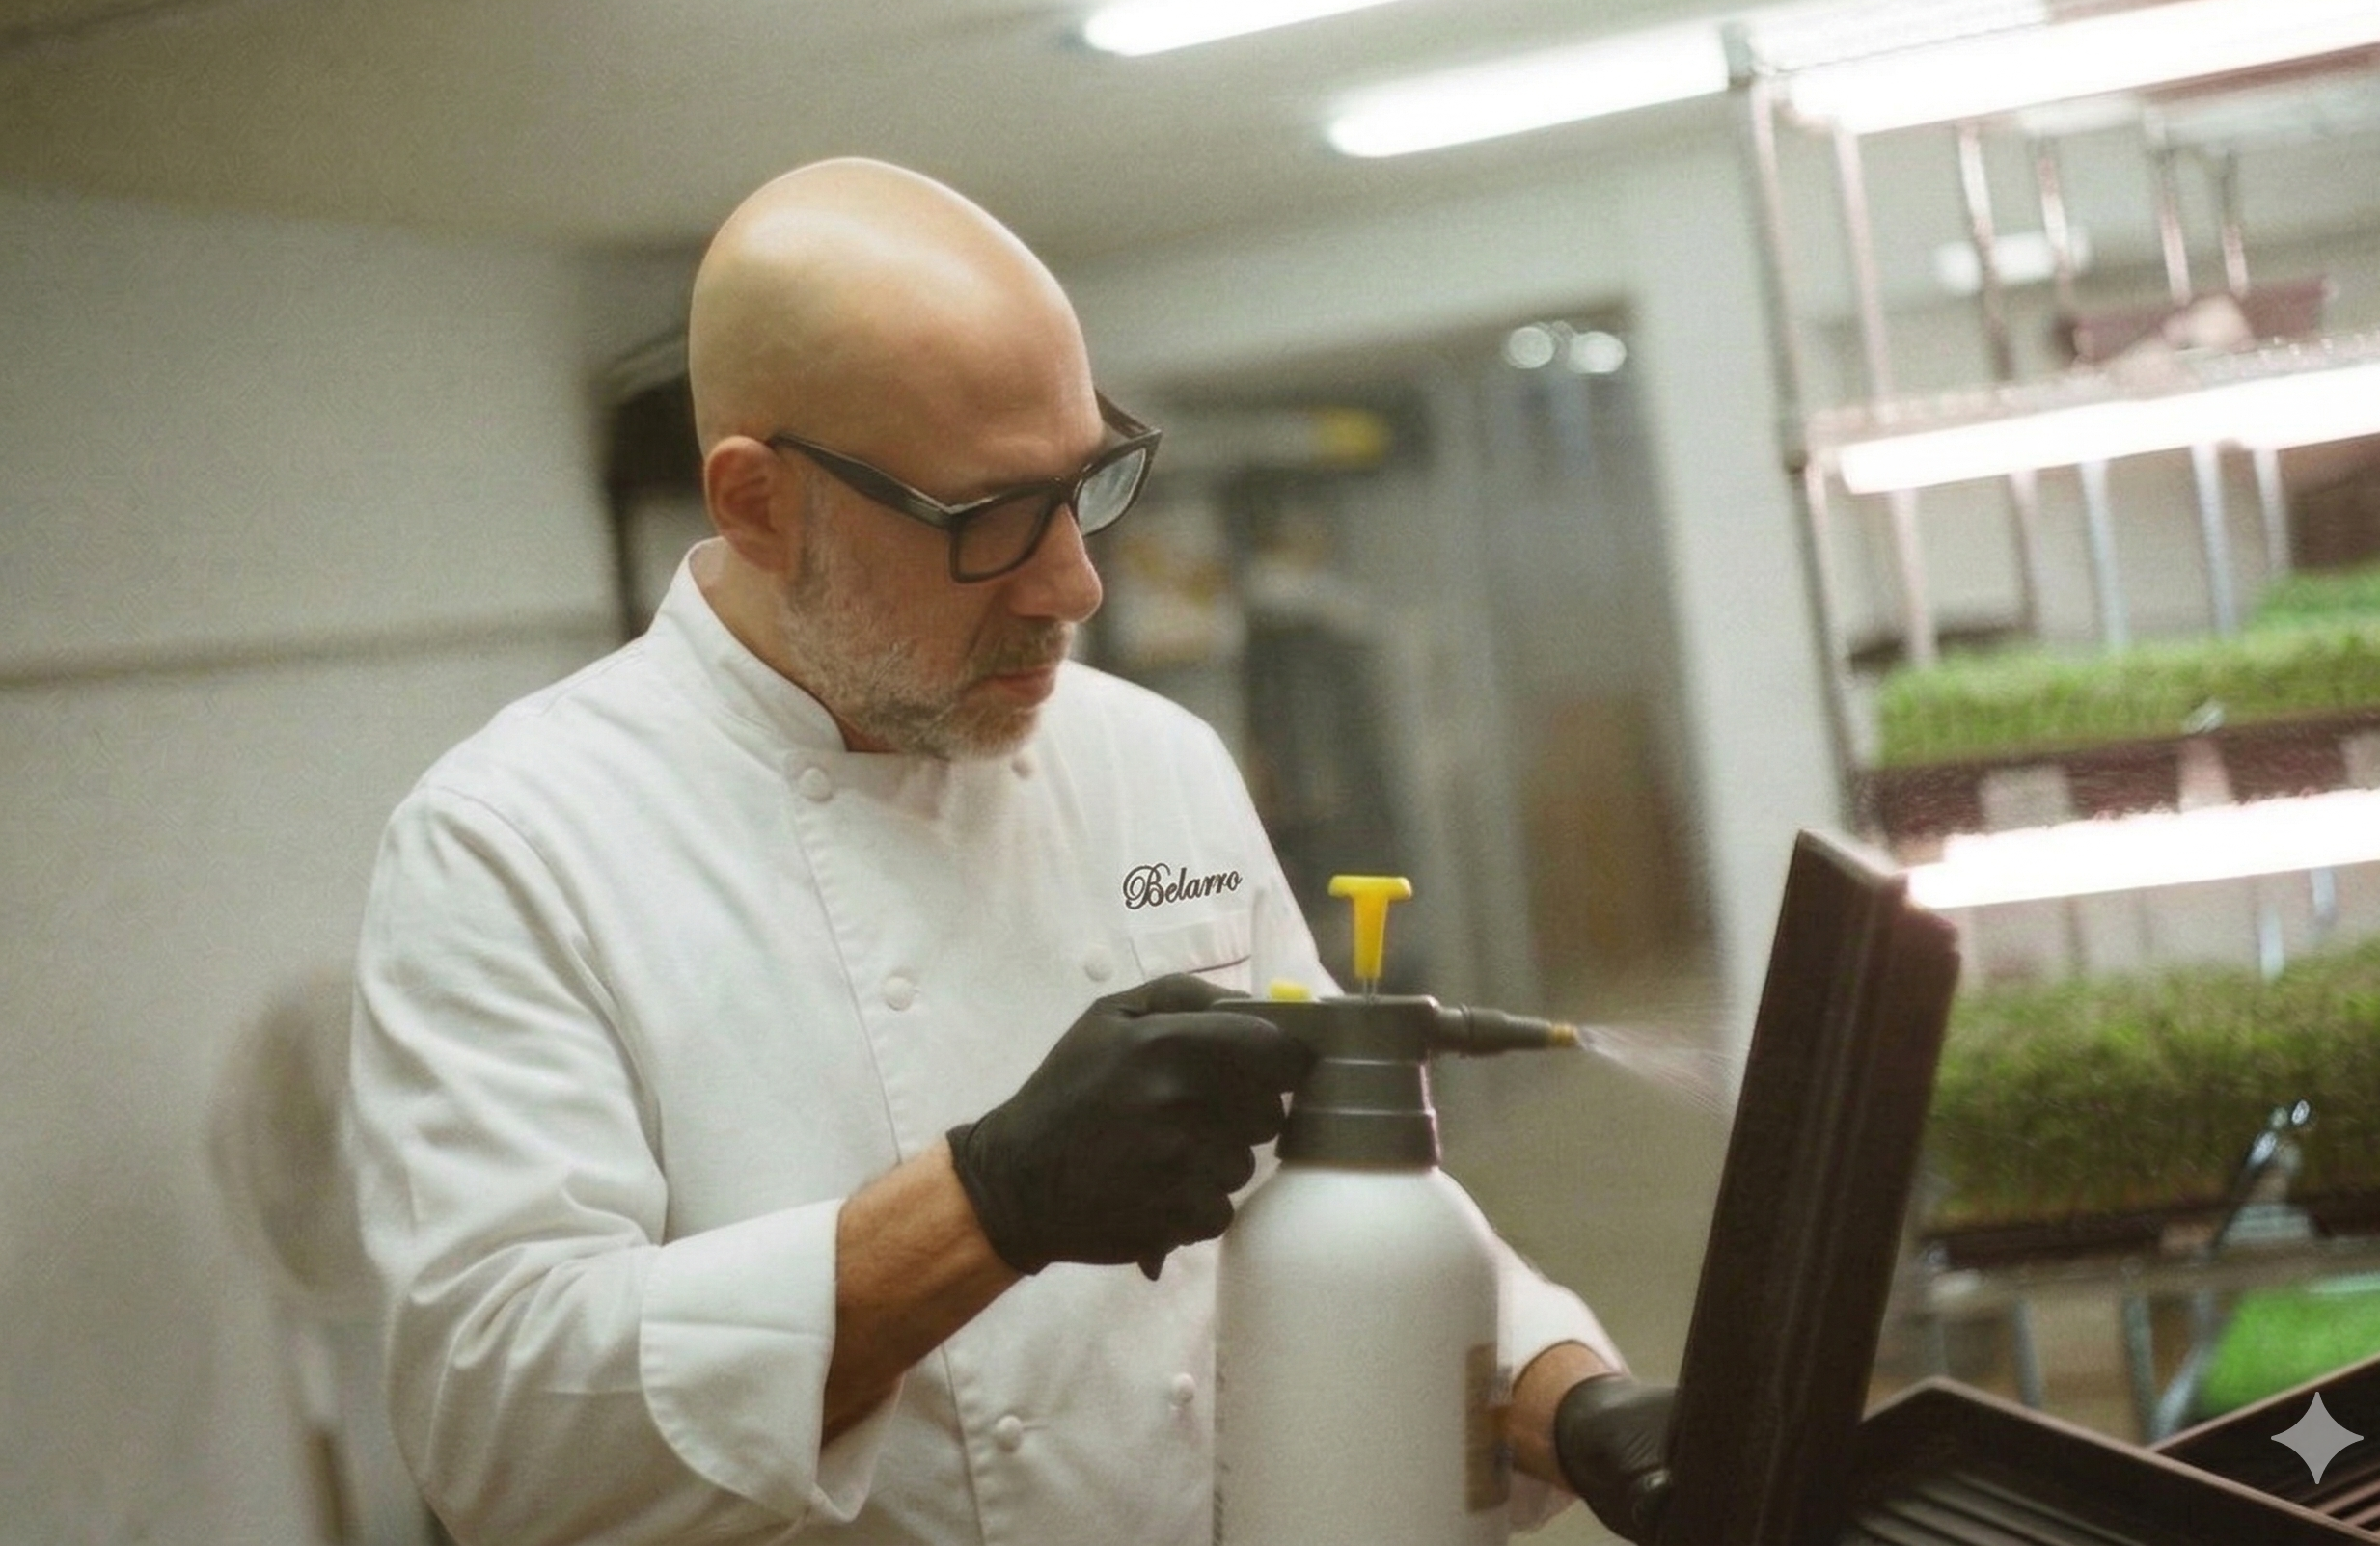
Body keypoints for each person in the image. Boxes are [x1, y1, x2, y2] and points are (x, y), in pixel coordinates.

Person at [347, 157, 1675, 1544]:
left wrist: (1560, 1394)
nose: (1074, 585)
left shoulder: (1149, 758)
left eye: (1085, 484)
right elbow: (502, 1429)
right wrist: (987, 1202)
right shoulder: (513, 843)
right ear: (754, 502)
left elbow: (1326, 1188)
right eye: (985, 519)